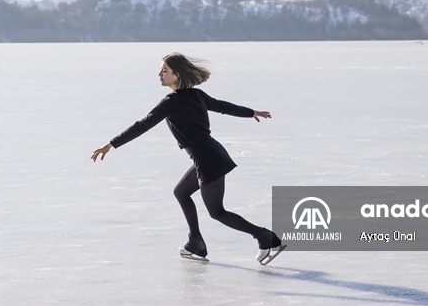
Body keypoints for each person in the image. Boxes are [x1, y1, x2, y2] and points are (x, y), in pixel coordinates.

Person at [91, 53, 285, 265]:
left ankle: (264, 237)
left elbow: (143, 125)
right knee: (181, 192)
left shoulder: (171, 102)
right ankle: (196, 242)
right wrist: (251, 112)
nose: (160, 74)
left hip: (207, 158)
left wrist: (111, 144)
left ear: (177, 75)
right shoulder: (196, 95)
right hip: (210, 154)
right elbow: (223, 106)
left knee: (217, 212)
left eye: (164, 70)